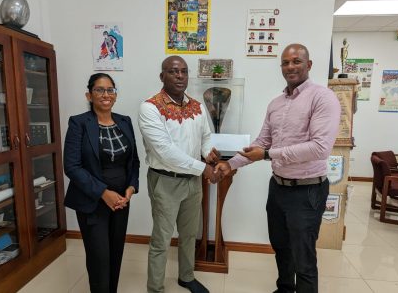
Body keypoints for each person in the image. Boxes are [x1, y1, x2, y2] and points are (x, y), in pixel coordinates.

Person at [216, 44, 341, 293]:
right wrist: (228, 165)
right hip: (279, 187)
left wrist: (266, 154)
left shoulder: (322, 97)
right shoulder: (275, 103)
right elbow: (262, 142)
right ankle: (285, 289)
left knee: (303, 257)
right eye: (285, 62)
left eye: (296, 61)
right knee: (281, 246)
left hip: (307, 190)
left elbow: (319, 148)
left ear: (309, 65)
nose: (290, 67)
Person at [138, 56, 221, 293]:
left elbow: (205, 136)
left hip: (192, 182)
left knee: (188, 234)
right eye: (174, 71)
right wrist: (203, 167)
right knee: (161, 240)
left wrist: (208, 154)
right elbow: (164, 151)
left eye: (184, 71)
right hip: (165, 181)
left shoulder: (197, 106)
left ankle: (186, 276)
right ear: (162, 75)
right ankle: (155, 287)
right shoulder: (150, 107)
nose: (180, 76)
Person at [63, 73, 140, 293]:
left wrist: (131, 188)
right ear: (89, 94)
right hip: (92, 202)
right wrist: (104, 193)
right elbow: (72, 166)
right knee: (99, 257)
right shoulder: (79, 123)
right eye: (99, 90)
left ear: (115, 94)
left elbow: (133, 160)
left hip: (121, 201)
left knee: (116, 253)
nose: (106, 94)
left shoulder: (125, 121)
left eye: (110, 90)